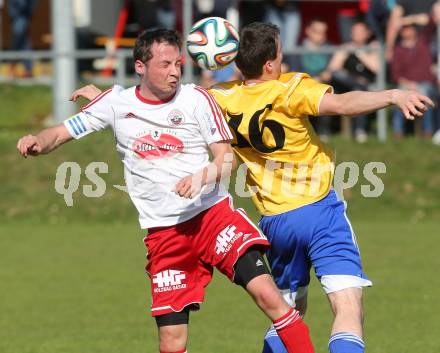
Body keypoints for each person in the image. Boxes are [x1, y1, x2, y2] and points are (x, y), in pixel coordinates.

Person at [73, 24, 433, 353]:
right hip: (320, 212)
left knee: (288, 313)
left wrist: (105, 97)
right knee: (347, 306)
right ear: (271, 65)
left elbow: (157, 105)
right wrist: (391, 95)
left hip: (275, 222)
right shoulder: (290, 89)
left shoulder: (218, 98)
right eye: (280, 54)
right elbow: (342, 104)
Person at [16, 29, 316, 353]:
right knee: (172, 342)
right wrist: (38, 142)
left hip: (213, 218)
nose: (174, 72)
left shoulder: (196, 99)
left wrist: (204, 176)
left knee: (269, 296)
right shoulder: (116, 104)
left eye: (178, 63)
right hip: (165, 234)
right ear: (141, 67)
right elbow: (61, 132)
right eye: (165, 64)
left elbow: (226, 157)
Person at [326, 19, 380, 142]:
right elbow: (332, 70)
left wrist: (360, 54)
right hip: (346, 86)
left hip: (368, 87)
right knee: (334, 83)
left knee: (359, 90)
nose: (356, 34)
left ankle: (360, 130)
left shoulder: (373, 47)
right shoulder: (345, 47)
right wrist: (344, 53)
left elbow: (377, 69)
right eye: (354, 32)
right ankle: (325, 131)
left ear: (367, 33)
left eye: (360, 32)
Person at [391, 24, 437, 138]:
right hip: (406, 83)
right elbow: (396, 74)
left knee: (425, 96)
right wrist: (409, 84)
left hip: (425, 84)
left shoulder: (423, 44)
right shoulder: (398, 50)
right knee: (398, 97)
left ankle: (428, 131)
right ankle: (398, 132)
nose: (408, 32)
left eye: (410, 29)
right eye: (405, 29)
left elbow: (430, 25)